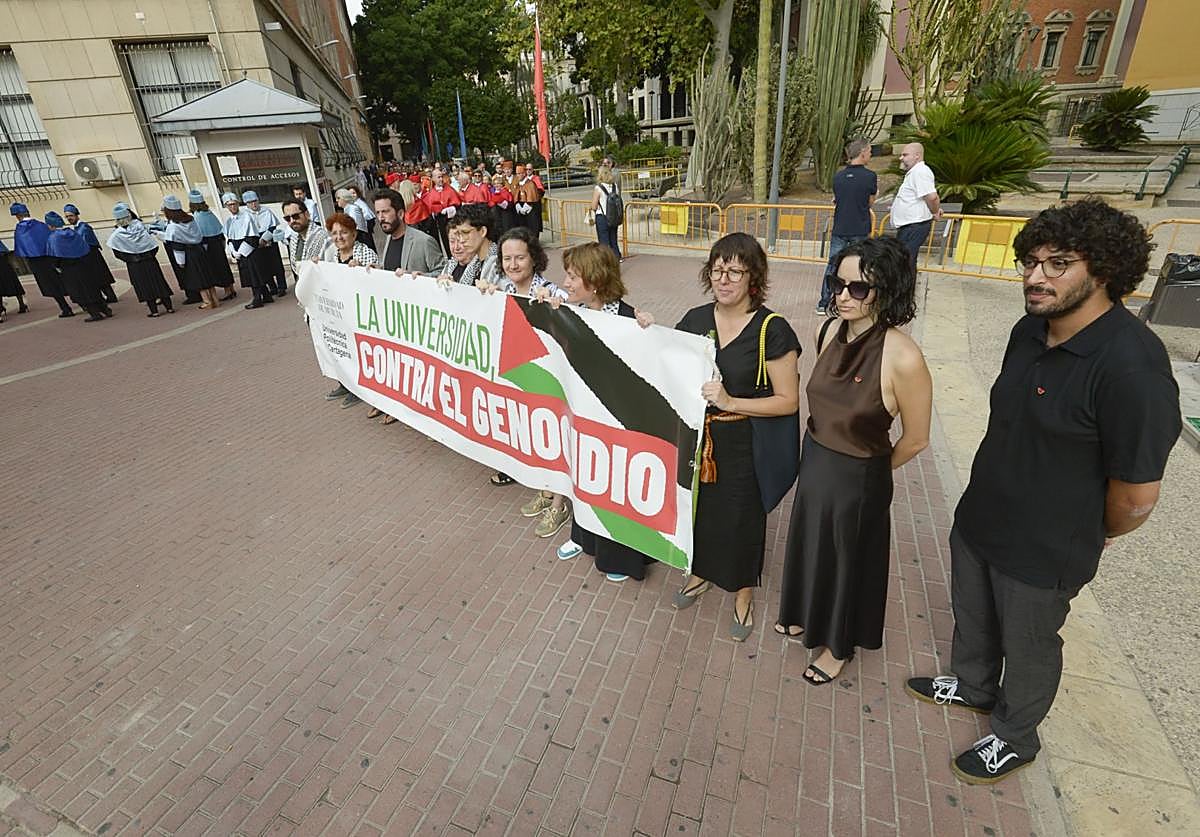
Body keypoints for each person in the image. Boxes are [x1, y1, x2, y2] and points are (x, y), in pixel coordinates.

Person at [906, 199, 1181, 785]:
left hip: (1046, 547)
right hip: (981, 519)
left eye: (1059, 264)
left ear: (1103, 270)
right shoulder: (1029, 330)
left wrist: (1091, 531)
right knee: (973, 618)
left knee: (1029, 646)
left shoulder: (1133, 366)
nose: (1036, 277)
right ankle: (974, 684)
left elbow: (1136, 496)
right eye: (1031, 262)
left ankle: (1014, 735)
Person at [776, 237, 932, 684]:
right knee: (811, 544)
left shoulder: (904, 356)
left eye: (858, 288)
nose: (843, 296)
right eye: (837, 284)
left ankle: (837, 648)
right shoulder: (826, 332)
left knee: (847, 560)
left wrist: (869, 469)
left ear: (888, 290)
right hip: (817, 464)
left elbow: (916, 439)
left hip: (859, 476)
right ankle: (803, 613)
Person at [673, 232, 801, 641]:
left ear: (753, 278)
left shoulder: (773, 330)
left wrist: (730, 401)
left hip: (746, 442)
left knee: (743, 521)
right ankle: (700, 575)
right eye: (717, 270)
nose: (724, 279)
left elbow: (787, 401)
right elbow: (666, 363)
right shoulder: (694, 320)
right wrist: (644, 331)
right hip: (701, 442)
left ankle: (742, 593)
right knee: (701, 513)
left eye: (735, 271)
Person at [534, 242, 657, 575]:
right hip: (581, 417)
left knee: (613, 486)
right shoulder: (572, 312)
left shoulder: (630, 320)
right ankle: (583, 535)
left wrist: (650, 331)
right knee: (583, 478)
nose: (567, 282)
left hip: (616, 424)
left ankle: (620, 555)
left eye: (574, 276)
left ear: (597, 280)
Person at [817, 139, 877, 315]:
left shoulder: (838, 177)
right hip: (859, 228)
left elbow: (837, 199)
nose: (871, 155)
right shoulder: (870, 177)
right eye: (870, 151)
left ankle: (824, 301)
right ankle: (858, 300)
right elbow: (870, 202)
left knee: (833, 265)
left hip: (840, 228)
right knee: (859, 266)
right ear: (863, 152)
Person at [107, 202, 174, 317]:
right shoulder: (140, 226)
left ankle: (154, 311)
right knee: (158, 282)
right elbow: (153, 245)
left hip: (134, 265)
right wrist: (149, 255)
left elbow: (117, 252)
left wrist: (130, 258)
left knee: (144, 287)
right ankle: (169, 307)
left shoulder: (117, 234)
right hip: (150, 261)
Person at [159, 195, 220, 310]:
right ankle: (215, 299)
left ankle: (207, 301)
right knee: (207, 275)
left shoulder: (173, 226)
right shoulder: (191, 219)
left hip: (189, 254)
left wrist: (180, 262)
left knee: (198, 278)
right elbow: (200, 234)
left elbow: (177, 246)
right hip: (200, 250)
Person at [46, 211, 110, 322]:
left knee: (80, 291)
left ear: (51, 225)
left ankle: (94, 313)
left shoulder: (54, 238)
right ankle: (105, 309)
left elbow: (54, 256)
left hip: (69, 269)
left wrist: (56, 266)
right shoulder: (72, 232)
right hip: (83, 264)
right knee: (92, 287)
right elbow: (84, 246)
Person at [11, 202, 72, 317]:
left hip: (36, 262)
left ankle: (65, 308)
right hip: (50, 257)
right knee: (63, 280)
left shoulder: (20, 229)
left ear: (18, 216)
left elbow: (20, 247)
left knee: (50, 284)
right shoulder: (40, 224)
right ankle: (82, 302)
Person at [890, 142, 941, 269]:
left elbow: (932, 197)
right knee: (906, 262)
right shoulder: (915, 173)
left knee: (905, 263)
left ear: (917, 156)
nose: (901, 158)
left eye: (905, 155)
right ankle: (906, 287)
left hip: (913, 226)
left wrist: (934, 211)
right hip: (910, 226)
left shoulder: (920, 172)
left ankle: (905, 288)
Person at [372, 188, 442, 275]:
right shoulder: (389, 238)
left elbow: (442, 272)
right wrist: (378, 269)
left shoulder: (424, 241)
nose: (380, 218)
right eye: (378, 213)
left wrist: (421, 277)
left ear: (400, 214)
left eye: (385, 212)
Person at [221, 192, 271, 310]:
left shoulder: (247, 217)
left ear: (238, 204)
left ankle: (257, 299)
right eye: (229, 205)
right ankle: (267, 295)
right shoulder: (229, 221)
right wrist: (233, 251)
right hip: (240, 252)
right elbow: (230, 238)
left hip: (250, 251)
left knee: (255, 276)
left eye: (234, 204)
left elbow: (252, 237)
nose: (232, 207)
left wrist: (242, 251)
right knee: (252, 275)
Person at [63, 204, 119, 304]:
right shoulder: (77, 228)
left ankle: (110, 296)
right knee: (98, 277)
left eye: (70, 215)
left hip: (92, 256)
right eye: (67, 216)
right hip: (88, 256)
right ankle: (109, 296)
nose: (69, 218)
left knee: (100, 277)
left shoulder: (84, 227)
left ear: (76, 215)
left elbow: (85, 242)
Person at [188, 190, 237, 301]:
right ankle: (231, 288)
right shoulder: (209, 213)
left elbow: (200, 233)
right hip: (218, 242)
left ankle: (227, 291)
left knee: (216, 268)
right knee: (224, 266)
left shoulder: (197, 216)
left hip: (208, 245)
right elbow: (219, 229)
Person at [437, 204, 498, 287]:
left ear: (483, 231)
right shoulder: (476, 263)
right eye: (459, 234)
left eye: (465, 233)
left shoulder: (500, 262)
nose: (461, 240)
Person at [243, 191, 288, 296]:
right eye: (250, 202)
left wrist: (265, 238)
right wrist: (258, 241)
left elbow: (273, 226)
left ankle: (282, 287)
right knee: (264, 266)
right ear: (246, 204)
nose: (253, 204)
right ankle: (272, 287)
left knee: (276, 264)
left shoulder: (266, 211)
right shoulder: (245, 215)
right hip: (256, 241)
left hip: (269, 239)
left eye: (255, 201)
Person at [422, 170, 461, 258]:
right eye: (438, 177)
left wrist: (450, 209)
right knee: (446, 243)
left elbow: (457, 204)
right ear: (433, 179)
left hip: (451, 220)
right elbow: (428, 208)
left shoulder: (449, 189)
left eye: (442, 177)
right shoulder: (431, 193)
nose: (441, 179)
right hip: (439, 222)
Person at [590, 165, 621, 260]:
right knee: (613, 239)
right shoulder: (615, 187)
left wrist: (591, 209)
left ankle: (606, 261)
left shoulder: (598, 188)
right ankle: (617, 257)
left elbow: (594, 205)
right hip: (613, 217)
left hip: (602, 217)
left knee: (604, 241)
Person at [0, 238, 29, 321]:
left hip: (3, 262)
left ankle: (1, 308)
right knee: (12, 283)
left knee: (2, 285)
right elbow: (5, 252)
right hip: (4, 263)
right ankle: (21, 304)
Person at [512, 164, 543, 236]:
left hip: (530, 207)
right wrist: (517, 204)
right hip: (520, 207)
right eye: (517, 174)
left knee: (532, 228)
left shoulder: (530, 183)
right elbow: (516, 195)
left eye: (519, 174)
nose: (518, 176)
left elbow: (532, 196)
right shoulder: (517, 184)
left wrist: (527, 205)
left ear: (524, 174)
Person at [488, 173, 515, 238]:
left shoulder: (505, 191)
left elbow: (509, 202)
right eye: (495, 184)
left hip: (505, 216)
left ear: (502, 184)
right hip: (496, 216)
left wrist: (502, 202)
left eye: (498, 183)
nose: (496, 185)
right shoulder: (493, 193)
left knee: (506, 232)